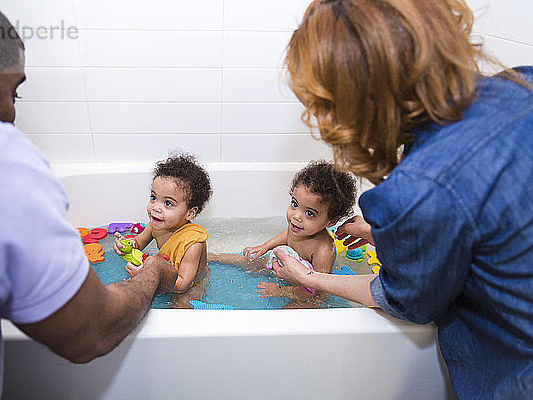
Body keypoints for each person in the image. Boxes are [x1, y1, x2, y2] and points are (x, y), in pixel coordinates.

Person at [273, 0, 533, 398]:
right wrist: (388, 234)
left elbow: (406, 302)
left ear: (358, 104)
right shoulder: (522, 84)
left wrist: (306, 277)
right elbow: (495, 228)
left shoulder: (418, 190)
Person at [0, 1, 177, 399]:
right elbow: (91, 330)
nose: (10, 114)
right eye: (12, 91)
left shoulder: (193, 237)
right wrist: (153, 273)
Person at [209, 161, 356, 307]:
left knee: (295, 308)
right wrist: (265, 247)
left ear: (331, 221)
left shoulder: (323, 250)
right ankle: (217, 257)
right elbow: (287, 236)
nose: (296, 216)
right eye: (295, 204)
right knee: (250, 262)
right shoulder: (301, 227)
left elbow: (319, 291)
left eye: (310, 213)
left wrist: (282, 290)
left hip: (307, 284)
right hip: (287, 267)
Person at [113, 153, 213, 308]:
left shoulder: (193, 243)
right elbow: (137, 243)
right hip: (167, 271)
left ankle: (220, 258)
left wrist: (147, 275)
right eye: (153, 197)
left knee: (180, 308)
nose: (156, 207)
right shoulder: (155, 225)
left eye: (168, 203)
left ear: (190, 213)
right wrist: (125, 244)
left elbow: (182, 284)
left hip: (192, 282)